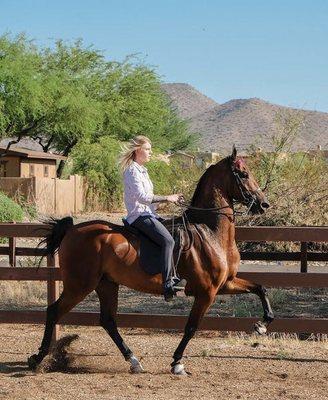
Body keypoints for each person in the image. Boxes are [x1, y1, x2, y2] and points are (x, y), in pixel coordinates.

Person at [119, 135, 185, 301]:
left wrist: (168, 202)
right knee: (168, 241)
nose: (150, 152)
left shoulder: (143, 170)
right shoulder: (132, 170)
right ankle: (167, 283)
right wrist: (166, 198)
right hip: (138, 216)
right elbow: (142, 197)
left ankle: (176, 274)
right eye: (147, 149)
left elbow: (147, 198)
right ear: (137, 150)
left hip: (149, 213)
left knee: (176, 232)